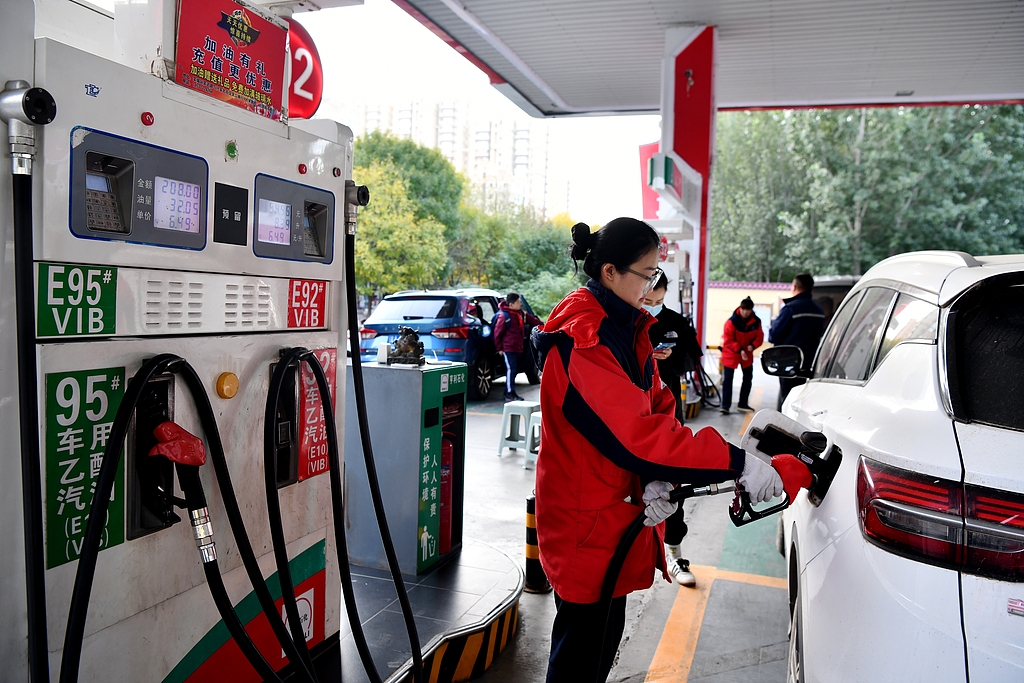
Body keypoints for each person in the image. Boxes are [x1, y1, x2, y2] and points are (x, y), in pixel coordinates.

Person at [532, 218, 810, 683]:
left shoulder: (626, 327)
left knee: (602, 646)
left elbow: (656, 405)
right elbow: (636, 436)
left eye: (655, 274)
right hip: (584, 524)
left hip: (613, 518)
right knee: (579, 658)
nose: (651, 286)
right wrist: (736, 462)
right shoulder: (583, 340)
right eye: (646, 274)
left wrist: (657, 476)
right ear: (610, 273)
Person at [642, 273, 703, 587]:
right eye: (647, 300)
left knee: (673, 482)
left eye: (659, 301)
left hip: (669, 415)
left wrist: (671, 356)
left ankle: (675, 554)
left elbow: (693, 358)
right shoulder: (627, 321)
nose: (652, 306)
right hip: (634, 415)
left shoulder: (676, 322)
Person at [769, 274, 826, 409]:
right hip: (811, 366)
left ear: (794, 287)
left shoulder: (791, 309)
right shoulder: (819, 311)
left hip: (790, 365)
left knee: (788, 403)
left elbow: (773, 336)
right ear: (811, 289)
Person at [493, 292, 541, 402]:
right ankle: (509, 394)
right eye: (518, 302)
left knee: (514, 370)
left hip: (518, 347)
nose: (520, 304)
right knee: (511, 370)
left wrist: (544, 325)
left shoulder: (520, 313)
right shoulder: (504, 316)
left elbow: (532, 320)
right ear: (511, 304)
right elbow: (497, 334)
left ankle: (509, 391)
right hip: (508, 348)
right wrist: (499, 348)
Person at [719, 297, 763, 415]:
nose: (745, 312)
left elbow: (759, 337)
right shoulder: (732, 321)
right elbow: (728, 339)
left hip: (747, 354)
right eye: (743, 309)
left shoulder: (756, 322)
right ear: (740, 308)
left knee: (748, 378)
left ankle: (743, 404)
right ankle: (725, 406)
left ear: (751, 310)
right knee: (728, 379)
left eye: (747, 309)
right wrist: (739, 349)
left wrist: (752, 346)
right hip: (731, 353)